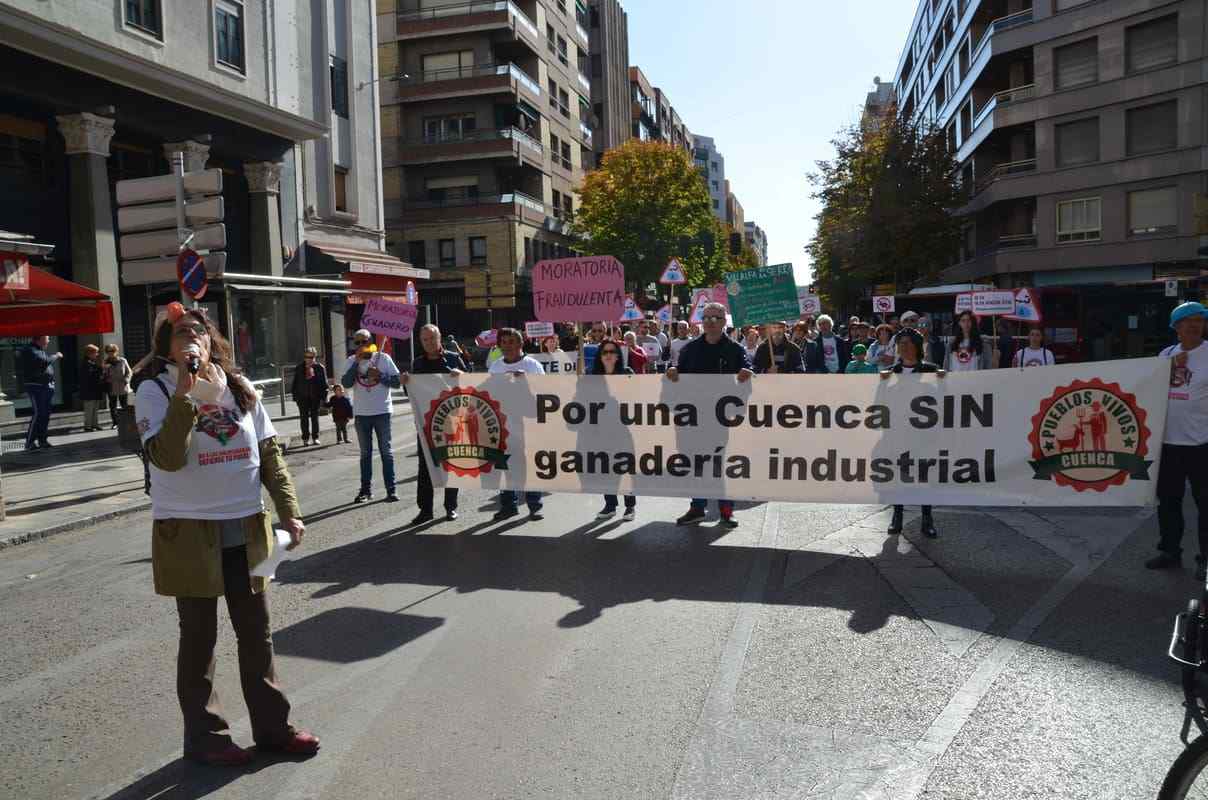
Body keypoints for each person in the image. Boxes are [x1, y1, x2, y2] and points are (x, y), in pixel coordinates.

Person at [134, 301, 318, 767]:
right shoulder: (154, 391)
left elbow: (271, 456)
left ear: (211, 339)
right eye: (179, 334)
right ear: (167, 348)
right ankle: (207, 738)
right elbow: (168, 457)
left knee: (257, 634)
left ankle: (274, 730)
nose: (189, 339)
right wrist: (187, 394)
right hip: (188, 533)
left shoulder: (239, 388)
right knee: (199, 641)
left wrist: (289, 512)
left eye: (197, 331)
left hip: (247, 527)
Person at [666, 302, 753, 528]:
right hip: (694, 420)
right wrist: (674, 372)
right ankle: (697, 507)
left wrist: (747, 373)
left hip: (723, 420)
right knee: (696, 464)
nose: (710, 322)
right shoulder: (690, 350)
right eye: (705, 318)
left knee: (720, 464)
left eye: (715, 318)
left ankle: (726, 510)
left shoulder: (736, 350)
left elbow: (749, 374)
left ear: (724, 322)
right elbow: (677, 377)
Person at [1147, 302, 1208, 577]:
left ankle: (1205, 560)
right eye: (1188, 321)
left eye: (1199, 320)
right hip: (1168, 443)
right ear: (1176, 327)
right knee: (1169, 502)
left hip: (1201, 444)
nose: (1195, 325)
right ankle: (1170, 551)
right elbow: (1148, 386)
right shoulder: (1166, 355)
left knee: (1205, 504)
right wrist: (1171, 365)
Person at [880, 328, 944, 538]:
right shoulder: (889, 373)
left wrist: (943, 380)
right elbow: (878, 404)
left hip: (923, 436)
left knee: (925, 477)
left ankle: (927, 519)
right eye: (900, 343)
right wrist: (882, 383)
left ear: (917, 346)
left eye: (908, 342)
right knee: (898, 477)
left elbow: (944, 401)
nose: (904, 347)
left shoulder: (932, 370)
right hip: (898, 435)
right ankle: (897, 516)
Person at [402, 324, 467, 526]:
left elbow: (471, 385)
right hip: (427, 424)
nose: (429, 342)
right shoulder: (418, 363)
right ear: (421, 342)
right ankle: (425, 510)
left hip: (453, 421)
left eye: (432, 338)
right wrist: (406, 383)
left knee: (452, 465)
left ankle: (451, 507)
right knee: (425, 468)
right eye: (425, 340)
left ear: (440, 339)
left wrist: (461, 377)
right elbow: (411, 395)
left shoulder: (454, 359)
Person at [488, 328, 546, 521]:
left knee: (529, 464)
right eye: (504, 342)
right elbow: (488, 394)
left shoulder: (533, 366)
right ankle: (508, 505)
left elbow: (546, 394)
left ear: (520, 344)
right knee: (505, 466)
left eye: (511, 341)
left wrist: (527, 382)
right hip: (503, 423)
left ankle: (534, 505)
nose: (507, 346)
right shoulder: (495, 368)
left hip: (528, 422)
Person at [341, 329, 401, 504]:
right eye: (357, 342)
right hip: (362, 413)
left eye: (364, 341)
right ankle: (365, 491)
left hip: (382, 411)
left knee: (386, 452)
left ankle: (391, 490)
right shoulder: (351, 361)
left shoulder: (383, 358)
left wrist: (380, 376)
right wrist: (356, 364)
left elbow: (397, 383)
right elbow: (346, 383)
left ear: (371, 341)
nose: (361, 345)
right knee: (365, 454)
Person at [590, 340, 637, 519]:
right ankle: (610, 505)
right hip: (601, 431)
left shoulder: (627, 373)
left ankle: (630, 506)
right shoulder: (592, 376)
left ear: (618, 355)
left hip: (624, 429)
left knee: (626, 468)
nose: (608, 355)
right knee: (605, 469)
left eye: (612, 351)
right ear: (599, 356)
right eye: (604, 352)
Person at [22, 334, 62, 451]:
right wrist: (56, 356)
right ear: (40, 339)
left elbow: (44, 363)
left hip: (45, 386)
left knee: (45, 414)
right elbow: (44, 361)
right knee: (39, 413)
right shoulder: (31, 349)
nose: (49, 340)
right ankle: (29, 443)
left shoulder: (39, 350)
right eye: (47, 338)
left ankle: (42, 440)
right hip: (36, 386)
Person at [290, 347, 328, 446]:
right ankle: (305, 438)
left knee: (315, 417)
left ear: (315, 357)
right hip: (302, 397)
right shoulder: (299, 367)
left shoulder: (319, 368)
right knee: (304, 418)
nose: (309, 359)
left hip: (315, 396)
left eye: (311, 357)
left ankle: (315, 437)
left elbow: (324, 384)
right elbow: (295, 383)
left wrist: (324, 398)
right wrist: (295, 396)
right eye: (307, 357)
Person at [103, 343, 133, 430]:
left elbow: (129, 372)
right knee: (113, 406)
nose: (111, 353)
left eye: (112, 351)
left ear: (116, 351)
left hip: (122, 386)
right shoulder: (105, 362)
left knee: (124, 405)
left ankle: (126, 422)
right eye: (109, 351)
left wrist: (126, 380)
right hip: (112, 386)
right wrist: (105, 370)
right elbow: (103, 375)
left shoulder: (122, 360)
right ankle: (115, 423)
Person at [79, 344, 106, 432]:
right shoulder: (86, 363)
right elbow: (90, 376)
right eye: (96, 352)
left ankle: (94, 424)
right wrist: (101, 369)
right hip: (89, 391)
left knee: (95, 409)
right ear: (90, 353)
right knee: (89, 409)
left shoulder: (91, 363)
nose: (97, 354)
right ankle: (88, 426)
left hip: (94, 390)